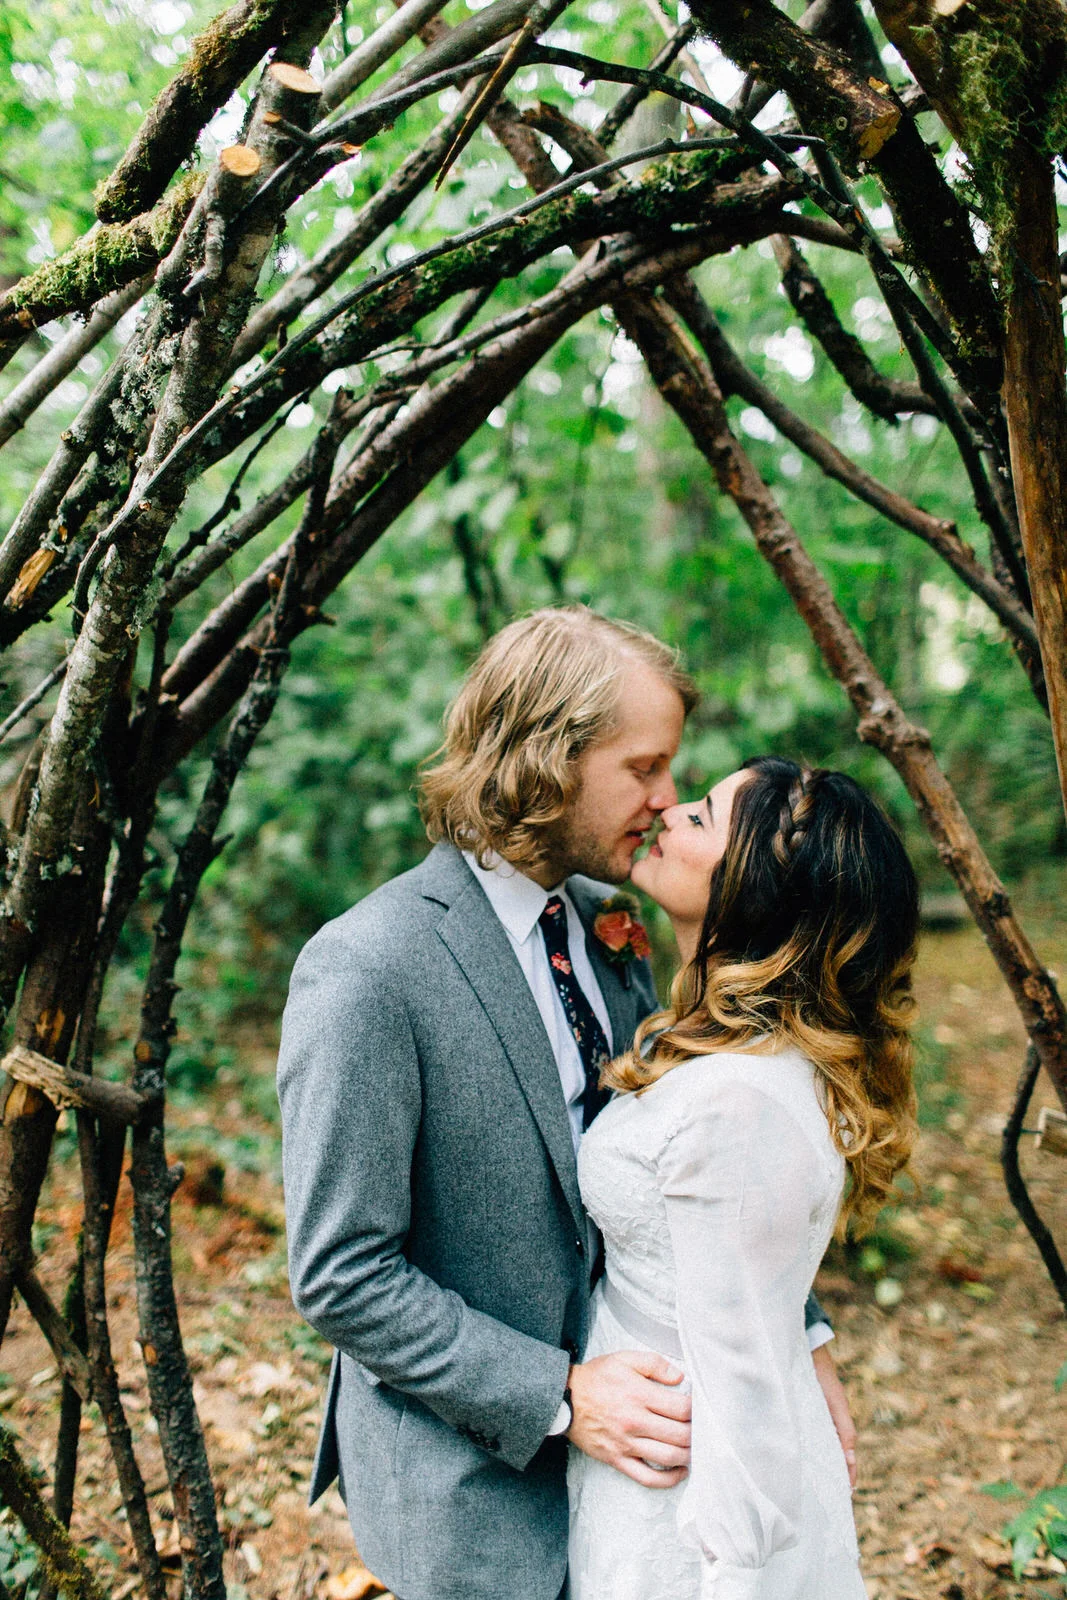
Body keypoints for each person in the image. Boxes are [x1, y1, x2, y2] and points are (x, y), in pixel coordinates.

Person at [278, 609, 851, 1600]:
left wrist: (804, 1339)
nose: (665, 800)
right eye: (643, 767)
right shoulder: (368, 971)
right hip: (474, 1492)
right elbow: (339, 1272)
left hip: (645, 1487)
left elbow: (698, 1168)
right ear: (545, 757)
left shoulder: (609, 931)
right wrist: (557, 1396)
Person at [568, 757, 919, 1599]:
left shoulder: (737, 1101)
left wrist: (733, 1572)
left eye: (702, 816)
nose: (668, 807)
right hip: (646, 1438)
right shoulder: (723, 1051)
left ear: (757, 890)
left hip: (691, 1486)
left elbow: (743, 1377)